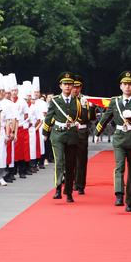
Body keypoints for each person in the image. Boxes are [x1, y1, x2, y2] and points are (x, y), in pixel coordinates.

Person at [94, 71, 131, 212]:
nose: (127, 87)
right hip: (119, 136)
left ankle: (130, 201)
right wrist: (97, 132)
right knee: (119, 167)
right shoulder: (115, 101)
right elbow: (105, 117)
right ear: (120, 86)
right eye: (125, 84)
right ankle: (119, 194)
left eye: (130, 84)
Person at [42, 72, 81, 203]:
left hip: (72, 135)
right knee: (59, 162)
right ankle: (58, 187)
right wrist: (45, 133)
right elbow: (49, 116)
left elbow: (82, 116)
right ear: (60, 86)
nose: (68, 87)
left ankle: (69, 192)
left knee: (70, 165)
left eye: (70, 84)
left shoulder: (78, 101)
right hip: (58, 134)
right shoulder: (55, 101)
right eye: (65, 84)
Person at [72, 75, 96, 195]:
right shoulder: (67, 99)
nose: (75, 89)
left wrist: (91, 108)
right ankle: (71, 181)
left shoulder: (86, 100)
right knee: (69, 159)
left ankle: (80, 184)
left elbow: (91, 118)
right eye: (73, 86)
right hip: (70, 131)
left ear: (81, 87)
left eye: (78, 87)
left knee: (81, 160)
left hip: (81, 131)